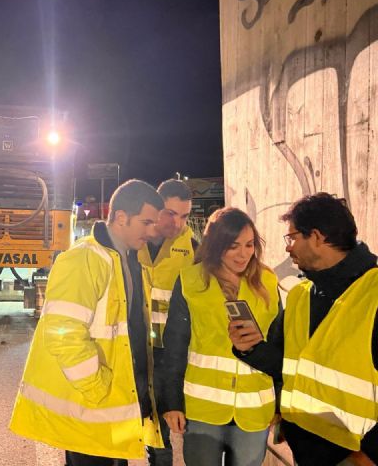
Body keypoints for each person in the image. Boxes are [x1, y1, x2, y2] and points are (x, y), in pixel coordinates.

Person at [10, 179, 165, 465]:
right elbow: (63, 334)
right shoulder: (83, 258)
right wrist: (98, 389)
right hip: (93, 405)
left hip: (116, 403)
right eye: (146, 222)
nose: (151, 230)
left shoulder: (131, 260)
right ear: (121, 217)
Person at [229, 193, 378, 465]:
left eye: (292, 237)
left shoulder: (374, 292)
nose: (288, 248)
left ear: (317, 237)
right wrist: (251, 349)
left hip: (354, 456)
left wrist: (369, 454)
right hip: (304, 449)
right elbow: (286, 365)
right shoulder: (301, 295)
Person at [162, 207, 280, 466]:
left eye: (249, 244)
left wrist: (281, 404)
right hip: (203, 408)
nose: (243, 254)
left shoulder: (268, 282)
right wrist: (172, 403)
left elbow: (279, 346)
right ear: (216, 245)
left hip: (254, 408)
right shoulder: (191, 280)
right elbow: (174, 347)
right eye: (233, 246)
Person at [138, 179, 198, 466]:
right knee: (153, 431)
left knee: (176, 426)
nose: (177, 223)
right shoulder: (134, 242)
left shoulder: (194, 250)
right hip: (138, 348)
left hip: (174, 352)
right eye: (171, 213)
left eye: (184, 216)